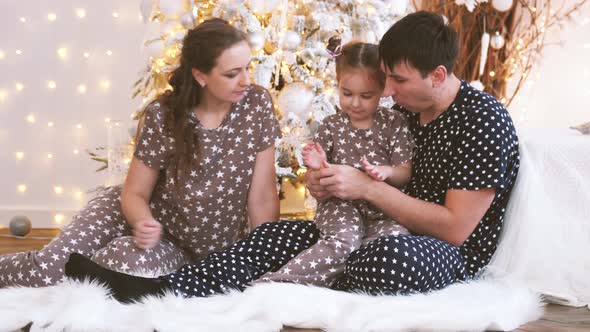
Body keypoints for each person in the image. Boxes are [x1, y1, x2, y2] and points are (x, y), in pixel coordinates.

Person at [0, 18, 320, 290]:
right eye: (232, 73)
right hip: (138, 217)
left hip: (180, 251)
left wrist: (257, 261)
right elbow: (134, 193)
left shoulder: (256, 105)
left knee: (115, 270)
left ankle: (85, 277)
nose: (246, 81)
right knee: (49, 268)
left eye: (247, 68)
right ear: (200, 75)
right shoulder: (163, 116)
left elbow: (263, 196)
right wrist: (143, 222)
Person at [305, 11, 520, 295]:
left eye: (399, 80)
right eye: (386, 77)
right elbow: (361, 171)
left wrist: (368, 188)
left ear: (437, 75)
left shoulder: (484, 120)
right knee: (275, 235)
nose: (387, 91)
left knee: (389, 260)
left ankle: (319, 275)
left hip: (443, 253)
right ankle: (304, 273)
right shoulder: (402, 112)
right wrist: (324, 181)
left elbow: (454, 229)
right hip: (373, 229)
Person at [258, 41, 414, 287]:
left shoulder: (394, 123)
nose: (355, 103)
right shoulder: (332, 125)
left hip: (384, 207)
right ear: (338, 84)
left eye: (366, 95)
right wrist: (319, 167)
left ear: (383, 88)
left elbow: (405, 173)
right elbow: (318, 183)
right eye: (347, 93)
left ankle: (353, 290)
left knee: (395, 241)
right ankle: (278, 284)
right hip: (340, 205)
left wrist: (386, 172)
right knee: (344, 241)